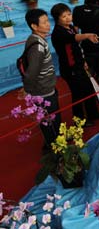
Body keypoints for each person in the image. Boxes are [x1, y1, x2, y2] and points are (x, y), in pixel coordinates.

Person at [50, 3, 99, 125]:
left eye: (69, 14)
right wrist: (87, 35)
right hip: (70, 69)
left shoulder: (71, 27)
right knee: (78, 95)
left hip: (79, 65)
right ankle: (80, 121)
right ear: (57, 19)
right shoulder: (58, 32)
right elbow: (73, 39)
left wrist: (83, 61)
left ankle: (93, 114)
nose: (68, 18)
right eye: (64, 16)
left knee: (89, 90)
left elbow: (76, 48)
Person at [23, 9, 61, 148]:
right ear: (34, 26)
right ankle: (54, 147)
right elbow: (32, 72)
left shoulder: (39, 40)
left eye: (48, 21)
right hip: (43, 91)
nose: (48, 24)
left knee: (52, 119)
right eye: (44, 22)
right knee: (51, 121)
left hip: (46, 87)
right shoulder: (37, 46)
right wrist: (27, 90)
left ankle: (54, 142)